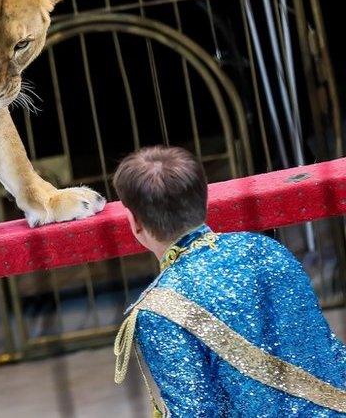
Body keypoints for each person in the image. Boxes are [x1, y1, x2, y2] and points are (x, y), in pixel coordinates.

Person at [111, 146, 346, 416]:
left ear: (134, 222)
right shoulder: (265, 249)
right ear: (205, 198)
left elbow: (195, 412)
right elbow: (329, 355)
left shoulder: (157, 310)